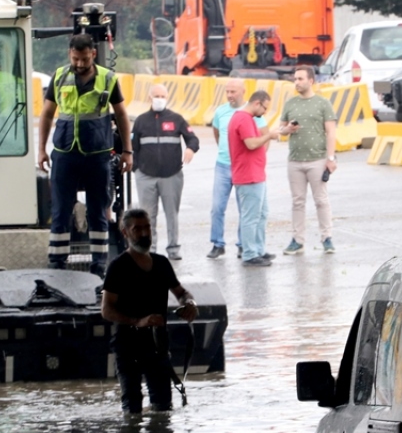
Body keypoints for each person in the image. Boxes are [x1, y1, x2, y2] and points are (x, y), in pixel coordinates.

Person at [38, 34, 132, 276]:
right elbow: (47, 114)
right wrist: (41, 150)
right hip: (65, 155)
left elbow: (121, 115)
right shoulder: (60, 76)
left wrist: (127, 152)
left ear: (94, 54)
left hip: (97, 156)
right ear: (70, 54)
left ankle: (99, 266)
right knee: (60, 211)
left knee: (98, 211)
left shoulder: (108, 79)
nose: (79, 64)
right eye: (75, 58)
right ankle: (56, 265)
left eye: (84, 59)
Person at [101, 208, 198, 415]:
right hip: (127, 347)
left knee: (164, 406)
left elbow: (181, 293)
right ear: (125, 232)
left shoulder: (161, 263)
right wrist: (138, 321)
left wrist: (190, 304)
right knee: (132, 407)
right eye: (137, 229)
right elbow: (106, 310)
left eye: (147, 228)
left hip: (157, 346)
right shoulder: (118, 267)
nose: (144, 234)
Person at [131, 83, 199, 260]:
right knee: (147, 216)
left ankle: (173, 248)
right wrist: (136, 169)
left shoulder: (176, 119)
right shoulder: (140, 121)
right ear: (149, 98)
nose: (159, 100)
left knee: (171, 214)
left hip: (171, 175)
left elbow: (192, 138)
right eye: (156, 96)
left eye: (163, 96)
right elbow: (132, 147)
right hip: (146, 175)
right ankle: (148, 249)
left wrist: (190, 149)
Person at [229, 90, 295, 267]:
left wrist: (282, 131)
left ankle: (258, 249)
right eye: (265, 108)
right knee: (251, 216)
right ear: (257, 103)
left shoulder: (247, 119)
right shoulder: (243, 118)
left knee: (261, 214)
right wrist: (269, 135)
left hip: (255, 174)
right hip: (248, 176)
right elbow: (251, 143)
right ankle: (250, 254)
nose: (265, 112)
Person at [279, 65, 338, 255]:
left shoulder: (322, 103)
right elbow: (281, 130)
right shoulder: (290, 104)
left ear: (311, 81)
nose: (296, 82)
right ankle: (297, 240)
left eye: (300, 79)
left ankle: (326, 237)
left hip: (317, 159)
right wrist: (288, 129)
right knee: (297, 201)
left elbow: (330, 132)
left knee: (321, 200)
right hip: (295, 160)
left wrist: (330, 158)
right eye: (295, 79)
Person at [207, 78, 247, 259]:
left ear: (243, 91)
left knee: (244, 207)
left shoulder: (249, 112)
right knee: (217, 206)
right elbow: (216, 132)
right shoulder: (221, 112)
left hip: (241, 166)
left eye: (234, 92)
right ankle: (217, 243)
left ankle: (243, 244)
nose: (230, 95)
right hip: (223, 165)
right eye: (228, 92)